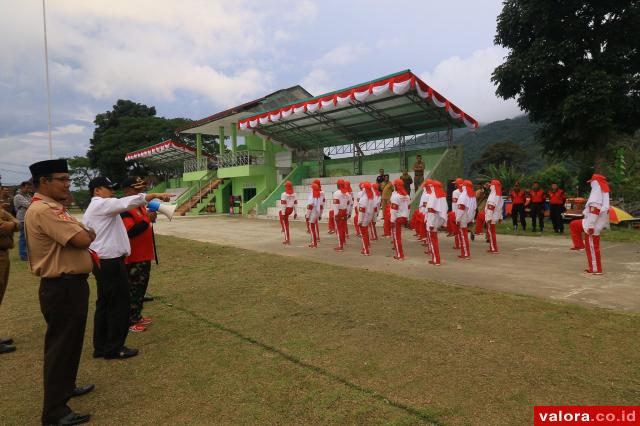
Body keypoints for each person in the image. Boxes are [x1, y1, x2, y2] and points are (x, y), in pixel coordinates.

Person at [25, 159, 96, 426]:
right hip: (62, 286)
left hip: (71, 285)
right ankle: (54, 412)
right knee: (60, 348)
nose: (68, 184)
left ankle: (66, 389)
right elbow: (82, 238)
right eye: (62, 179)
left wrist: (85, 232)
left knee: (70, 343)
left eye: (68, 179)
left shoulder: (55, 208)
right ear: (44, 181)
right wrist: (85, 232)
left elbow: (85, 234)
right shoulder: (45, 210)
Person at [83, 177, 173, 360]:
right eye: (109, 188)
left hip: (104, 260)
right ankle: (114, 347)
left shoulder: (99, 206)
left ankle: (101, 346)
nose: (113, 191)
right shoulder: (101, 204)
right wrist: (154, 195)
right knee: (118, 305)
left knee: (105, 304)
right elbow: (127, 202)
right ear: (97, 190)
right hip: (110, 261)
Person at [119, 177, 159, 333]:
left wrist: (148, 219)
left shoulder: (139, 206)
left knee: (141, 288)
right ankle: (130, 320)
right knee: (133, 289)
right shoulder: (124, 209)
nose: (140, 192)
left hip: (144, 255)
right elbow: (130, 231)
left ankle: (137, 315)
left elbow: (143, 224)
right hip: (134, 257)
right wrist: (146, 220)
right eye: (136, 189)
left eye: (141, 188)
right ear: (127, 190)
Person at [580, 174, 610, 275]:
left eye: (592, 182)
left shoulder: (596, 196)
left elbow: (594, 211)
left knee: (592, 248)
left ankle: (596, 269)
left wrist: (591, 226)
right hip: (595, 225)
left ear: (596, 183)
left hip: (592, 226)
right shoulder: (603, 195)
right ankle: (593, 267)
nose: (591, 185)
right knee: (591, 247)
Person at [0, 205, 18, 354]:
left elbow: (16, 223)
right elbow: (3, 228)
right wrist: (12, 223)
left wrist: (12, 223)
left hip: (3, 253)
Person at [426, 180, 448, 266]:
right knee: (435, 240)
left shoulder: (433, 196)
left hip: (432, 221)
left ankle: (436, 259)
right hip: (437, 220)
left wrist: (430, 224)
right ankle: (436, 258)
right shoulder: (442, 196)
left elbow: (431, 211)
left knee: (433, 241)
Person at [455, 180, 476, 260]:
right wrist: (471, 218)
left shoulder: (463, 195)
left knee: (463, 236)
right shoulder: (472, 196)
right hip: (467, 217)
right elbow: (474, 209)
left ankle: (466, 254)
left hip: (462, 218)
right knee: (464, 236)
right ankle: (465, 252)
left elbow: (461, 208)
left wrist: (457, 219)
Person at [390, 179, 410, 260]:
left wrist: (392, 220)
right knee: (398, 236)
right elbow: (409, 208)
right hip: (404, 217)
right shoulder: (407, 196)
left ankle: (400, 255)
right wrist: (407, 218)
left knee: (396, 237)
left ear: (396, 186)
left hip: (397, 218)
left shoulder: (396, 197)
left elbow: (394, 210)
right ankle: (399, 253)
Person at [13, 181, 32, 261]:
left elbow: (33, 203)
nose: (28, 189)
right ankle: (23, 255)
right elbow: (30, 204)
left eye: (29, 188)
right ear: (22, 187)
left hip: (28, 218)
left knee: (28, 238)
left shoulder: (27, 195)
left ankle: (27, 253)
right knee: (23, 237)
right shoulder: (18, 196)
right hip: (22, 219)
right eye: (27, 188)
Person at [485, 180, 504, 254]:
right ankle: (493, 247)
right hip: (495, 216)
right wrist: (500, 217)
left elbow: (490, 208)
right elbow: (500, 208)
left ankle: (493, 249)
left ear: (493, 186)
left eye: (491, 184)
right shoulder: (499, 196)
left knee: (491, 233)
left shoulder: (493, 196)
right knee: (492, 233)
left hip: (491, 217)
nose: (490, 185)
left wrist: (488, 218)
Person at [357, 182, 375, 255]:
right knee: (366, 233)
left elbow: (362, 211)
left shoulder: (363, 199)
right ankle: (366, 246)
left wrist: (359, 221)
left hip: (364, 218)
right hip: (368, 217)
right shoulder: (371, 197)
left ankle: (365, 250)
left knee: (364, 234)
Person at [332, 179, 349, 251]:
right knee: (343, 228)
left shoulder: (336, 193)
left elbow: (336, 205)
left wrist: (336, 214)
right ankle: (343, 242)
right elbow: (349, 203)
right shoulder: (347, 193)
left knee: (339, 230)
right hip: (344, 211)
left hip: (339, 212)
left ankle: (340, 245)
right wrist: (348, 212)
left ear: (338, 185)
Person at [447, 178, 463, 249]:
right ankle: (461, 243)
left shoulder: (455, 192)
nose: (455, 185)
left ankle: (458, 244)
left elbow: (454, 204)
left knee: (457, 230)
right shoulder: (465, 191)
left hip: (456, 212)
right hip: (463, 212)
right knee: (461, 230)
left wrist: (454, 213)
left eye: (455, 184)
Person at [307, 183, 322, 248]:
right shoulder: (318, 195)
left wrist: (307, 216)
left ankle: (314, 243)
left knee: (312, 227)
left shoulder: (312, 196)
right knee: (313, 227)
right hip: (317, 212)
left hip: (313, 212)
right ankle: (314, 242)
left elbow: (310, 206)